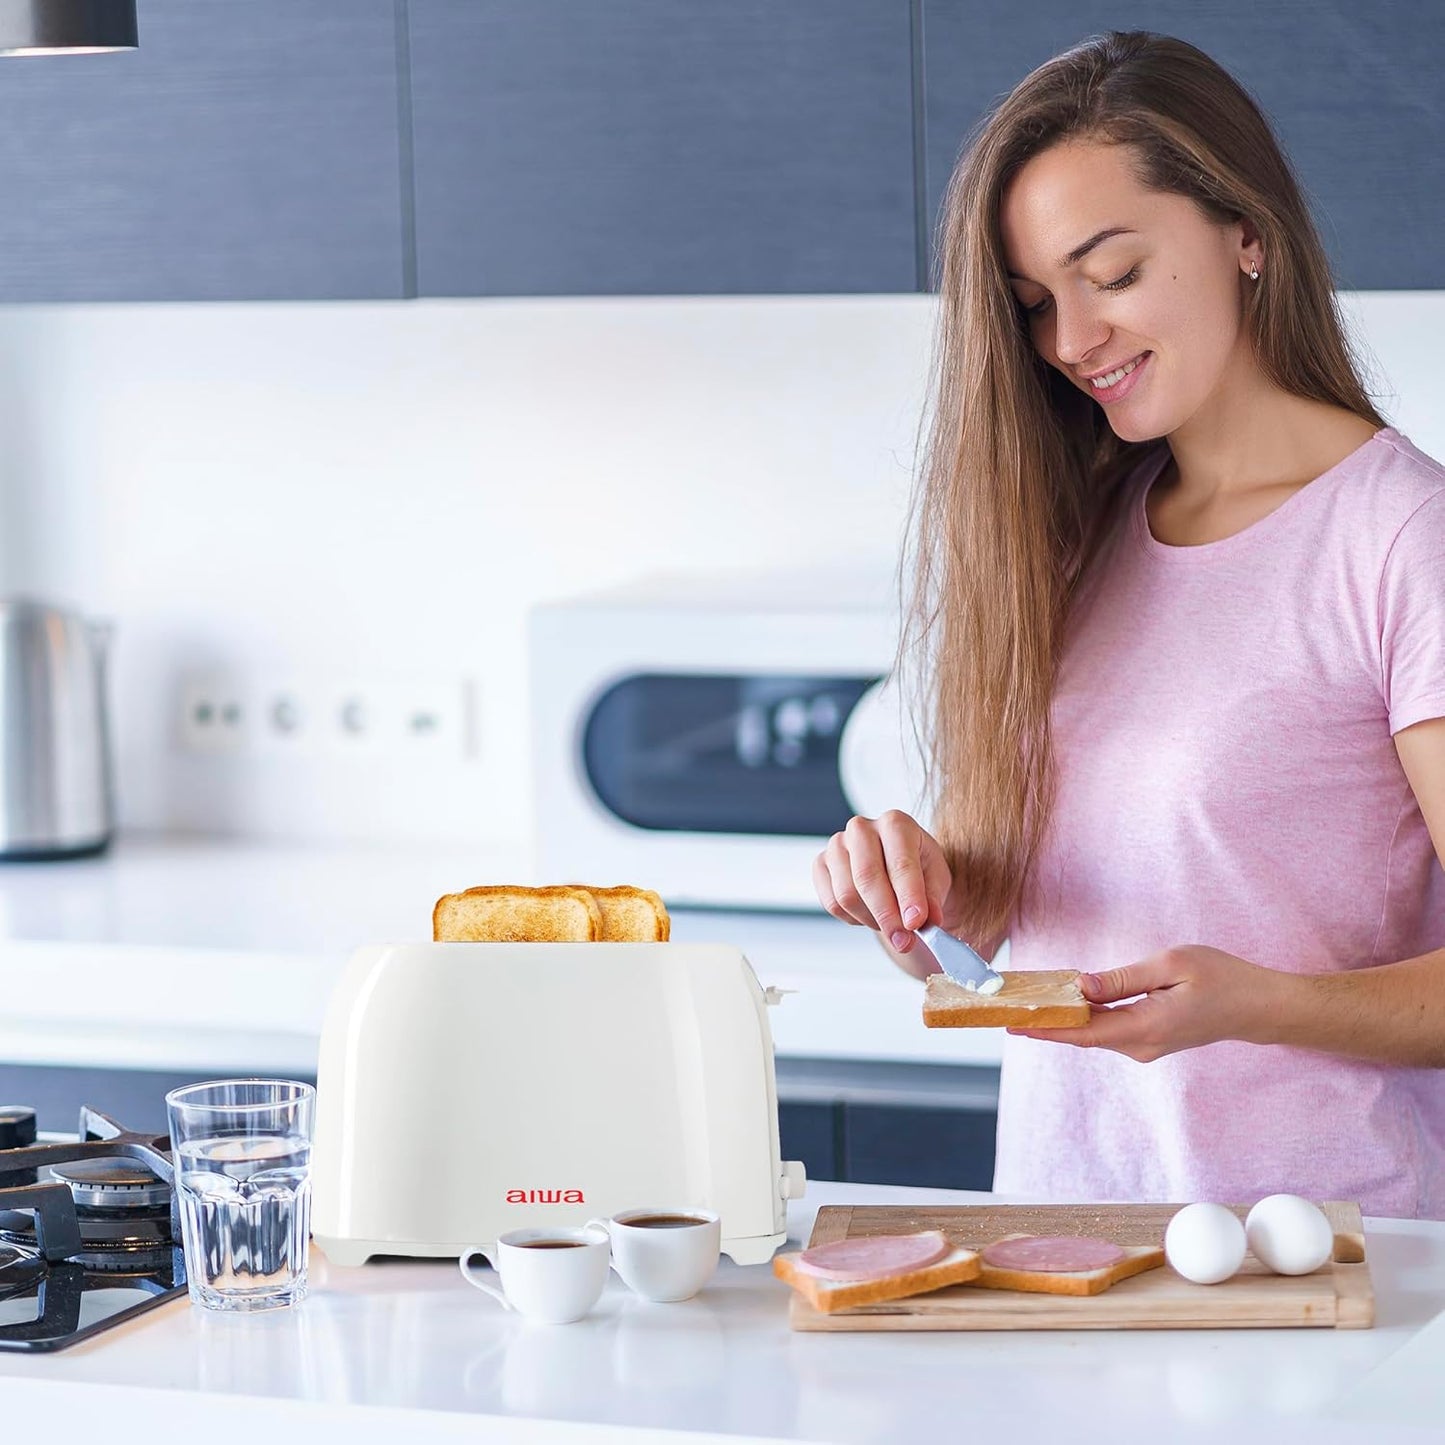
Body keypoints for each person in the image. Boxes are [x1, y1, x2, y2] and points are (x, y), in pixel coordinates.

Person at [813, 31, 1445, 1217]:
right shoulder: (1073, 531)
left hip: (1319, 1264)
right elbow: (1016, 925)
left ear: (1243, 230)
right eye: (1036, 302)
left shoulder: (1399, 540)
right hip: (1065, 1240)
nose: (1068, 340)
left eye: (1109, 273)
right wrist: (917, 897)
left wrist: (1253, 1000)